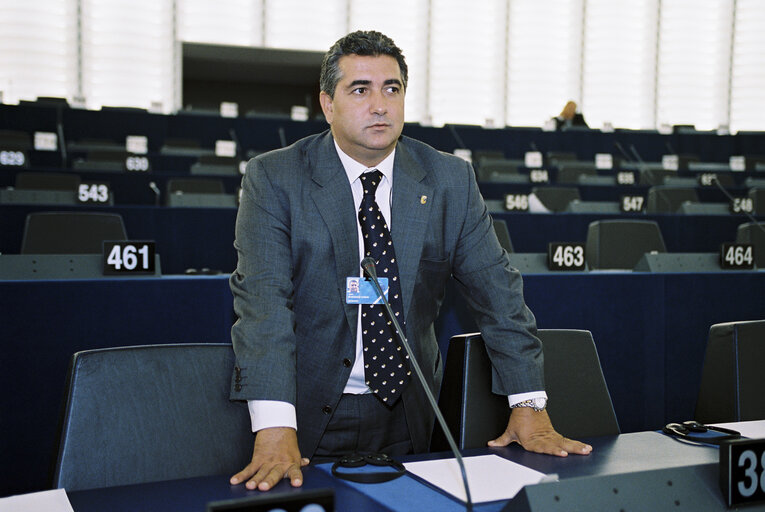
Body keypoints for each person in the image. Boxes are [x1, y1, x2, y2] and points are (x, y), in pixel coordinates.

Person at [229, 30, 592, 492]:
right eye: (360, 90)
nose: (380, 105)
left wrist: (528, 405)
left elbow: (498, 291)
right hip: (304, 413)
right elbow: (262, 306)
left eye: (392, 88)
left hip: (412, 413)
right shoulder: (275, 177)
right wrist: (275, 423)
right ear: (328, 104)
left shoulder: (449, 178)